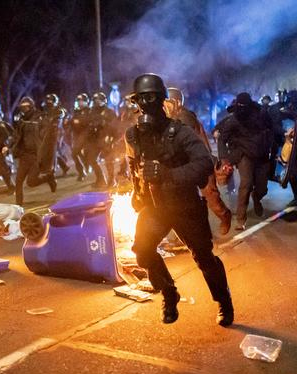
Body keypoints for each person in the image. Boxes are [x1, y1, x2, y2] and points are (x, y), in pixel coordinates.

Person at [125, 73, 233, 326]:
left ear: (162, 100)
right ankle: (169, 292)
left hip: (184, 205)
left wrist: (168, 174)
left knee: (204, 258)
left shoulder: (180, 132)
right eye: (140, 100)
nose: (144, 104)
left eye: (150, 98)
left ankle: (223, 302)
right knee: (142, 252)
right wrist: (137, 190)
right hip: (155, 207)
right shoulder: (133, 135)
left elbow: (204, 162)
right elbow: (133, 164)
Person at [165, 87, 232, 235]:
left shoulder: (184, 118)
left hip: (201, 163)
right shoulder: (171, 119)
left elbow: (177, 141)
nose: (164, 107)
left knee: (211, 197)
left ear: (176, 102)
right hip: (186, 166)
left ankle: (225, 215)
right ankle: (185, 235)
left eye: (167, 103)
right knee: (181, 201)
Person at [215, 92, 274, 230]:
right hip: (244, 154)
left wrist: (274, 143)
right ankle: (241, 219)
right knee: (246, 183)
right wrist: (224, 159)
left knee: (262, 187)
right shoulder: (233, 119)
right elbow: (222, 139)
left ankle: (257, 198)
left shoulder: (261, 114)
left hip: (262, 154)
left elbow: (272, 128)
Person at [11, 96, 57, 205]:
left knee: (31, 182)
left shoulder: (40, 118)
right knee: (18, 181)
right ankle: (19, 205)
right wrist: (11, 144)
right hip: (24, 155)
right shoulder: (21, 120)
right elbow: (17, 135)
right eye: (22, 108)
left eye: (26, 107)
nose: (24, 110)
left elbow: (47, 134)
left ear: (31, 107)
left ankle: (48, 178)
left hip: (36, 156)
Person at [89, 92, 119, 187]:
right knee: (92, 159)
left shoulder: (110, 112)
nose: (97, 102)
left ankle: (112, 180)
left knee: (108, 160)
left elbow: (115, 126)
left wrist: (105, 124)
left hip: (106, 138)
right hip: (95, 139)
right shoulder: (92, 112)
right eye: (95, 100)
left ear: (104, 101)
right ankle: (100, 179)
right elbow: (88, 124)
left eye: (99, 100)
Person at [40, 94, 69, 177]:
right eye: (48, 100)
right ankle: (65, 167)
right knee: (53, 152)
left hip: (57, 133)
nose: (49, 102)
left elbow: (60, 117)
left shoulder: (59, 110)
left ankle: (52, 170)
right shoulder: (46, 111)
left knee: (53, 151)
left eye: (51, 100)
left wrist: (53, 119)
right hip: (48, 133)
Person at [66, 93, 91, 181]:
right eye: (78, 101)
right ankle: (82, 171)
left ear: (86, 102)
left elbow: (87, 122)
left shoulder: (89, 111)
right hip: (77, 135)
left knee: (84, 153)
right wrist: (68, 122)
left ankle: (85, 169)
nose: (80, 103)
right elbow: (72, 122)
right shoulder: (76, 111)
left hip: (87, 135)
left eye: (82, 101)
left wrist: (78, 121)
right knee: (75, 153)